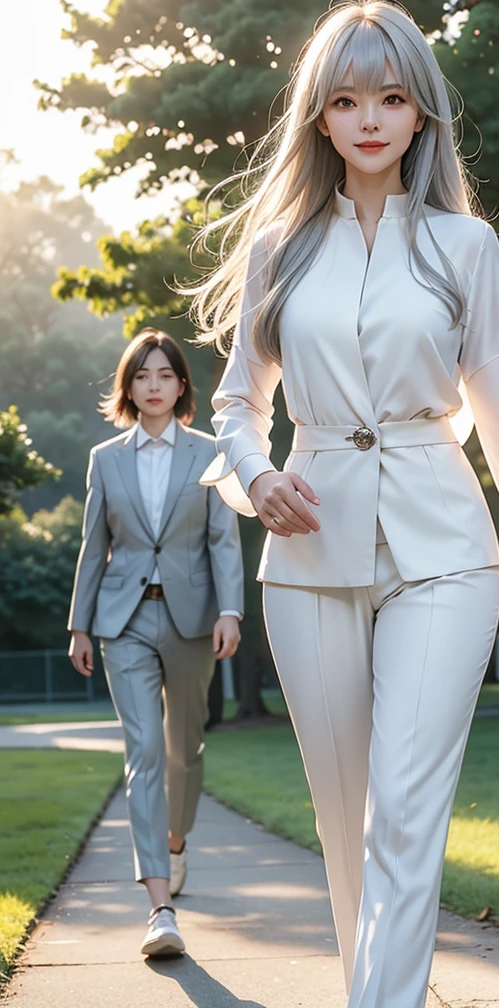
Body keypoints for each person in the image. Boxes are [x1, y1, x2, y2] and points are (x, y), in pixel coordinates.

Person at [191, 0, 499, 1008]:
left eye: (391, 96)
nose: (368, 118)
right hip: (306, 565)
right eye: (345, 98)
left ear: (421, 113)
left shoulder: (461, 248)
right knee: (348, 826)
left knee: (402, 810)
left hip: (444, 553)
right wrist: (256, 476)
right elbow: (231, 404)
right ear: (318, 116)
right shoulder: (278, 250)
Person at [67, 329, 243, 958]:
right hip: (124, 621)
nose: (154, 386)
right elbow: (95, 546)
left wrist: (231, 610)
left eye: (165, 375)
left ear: (181, 385)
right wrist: (80, 625)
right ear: (128, 386)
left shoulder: (212, 452)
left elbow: (223, 539)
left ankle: (175, 840)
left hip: (194, 619)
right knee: (143, 751)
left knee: (183, 749)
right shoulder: (105, 458)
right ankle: (160, 910)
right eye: (142, 376)